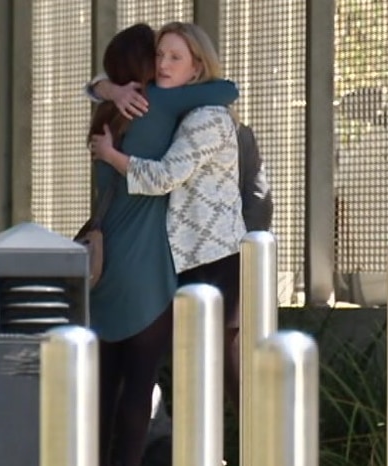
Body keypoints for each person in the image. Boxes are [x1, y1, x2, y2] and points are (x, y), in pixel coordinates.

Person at [86, 23, 239, 466]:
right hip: (146, 264)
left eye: (174, 56)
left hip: (109, 260)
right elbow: (227, 89)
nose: (163, 65)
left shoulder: (111, 114)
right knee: (140, 381)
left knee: (106, 381)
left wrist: (107, 90)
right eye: (158, 56)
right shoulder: (159, 105)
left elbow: (90, 88)